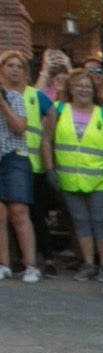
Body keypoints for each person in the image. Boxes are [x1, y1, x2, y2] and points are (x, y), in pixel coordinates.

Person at [43, 69, 103, 281]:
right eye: (79, 85)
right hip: (69, 179)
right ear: (70, 88)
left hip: (99, 179)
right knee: (80, 222)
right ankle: (88, 263)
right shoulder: (58, 110)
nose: (83, 90)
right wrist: (50, 170)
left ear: (95, 90)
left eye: (88, 86)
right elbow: (46, 141)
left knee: (100, 221)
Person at [0, 51, 43, 282]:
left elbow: (19, 127)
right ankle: (4, 264)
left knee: (19, 212)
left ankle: (31, 266)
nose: (14, 70)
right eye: (10, 66)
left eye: (19, 66)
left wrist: (3, 105)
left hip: (15, 157)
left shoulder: (16, 97)